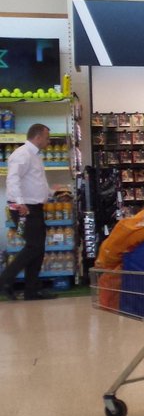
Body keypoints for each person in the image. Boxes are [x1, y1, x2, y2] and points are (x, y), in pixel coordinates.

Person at [0, 124, 54, 301]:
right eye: (46, 137)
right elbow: (13, 179)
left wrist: (53, 193)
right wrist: (19, 203)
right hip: (23, 209)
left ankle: (31, 290)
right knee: (33, 246)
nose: (48, 141)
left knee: (38, 248)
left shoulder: (35, 156)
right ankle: (5, 281)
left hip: (34, 207)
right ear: (38, 137)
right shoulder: (22, 154)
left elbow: (34, 182)